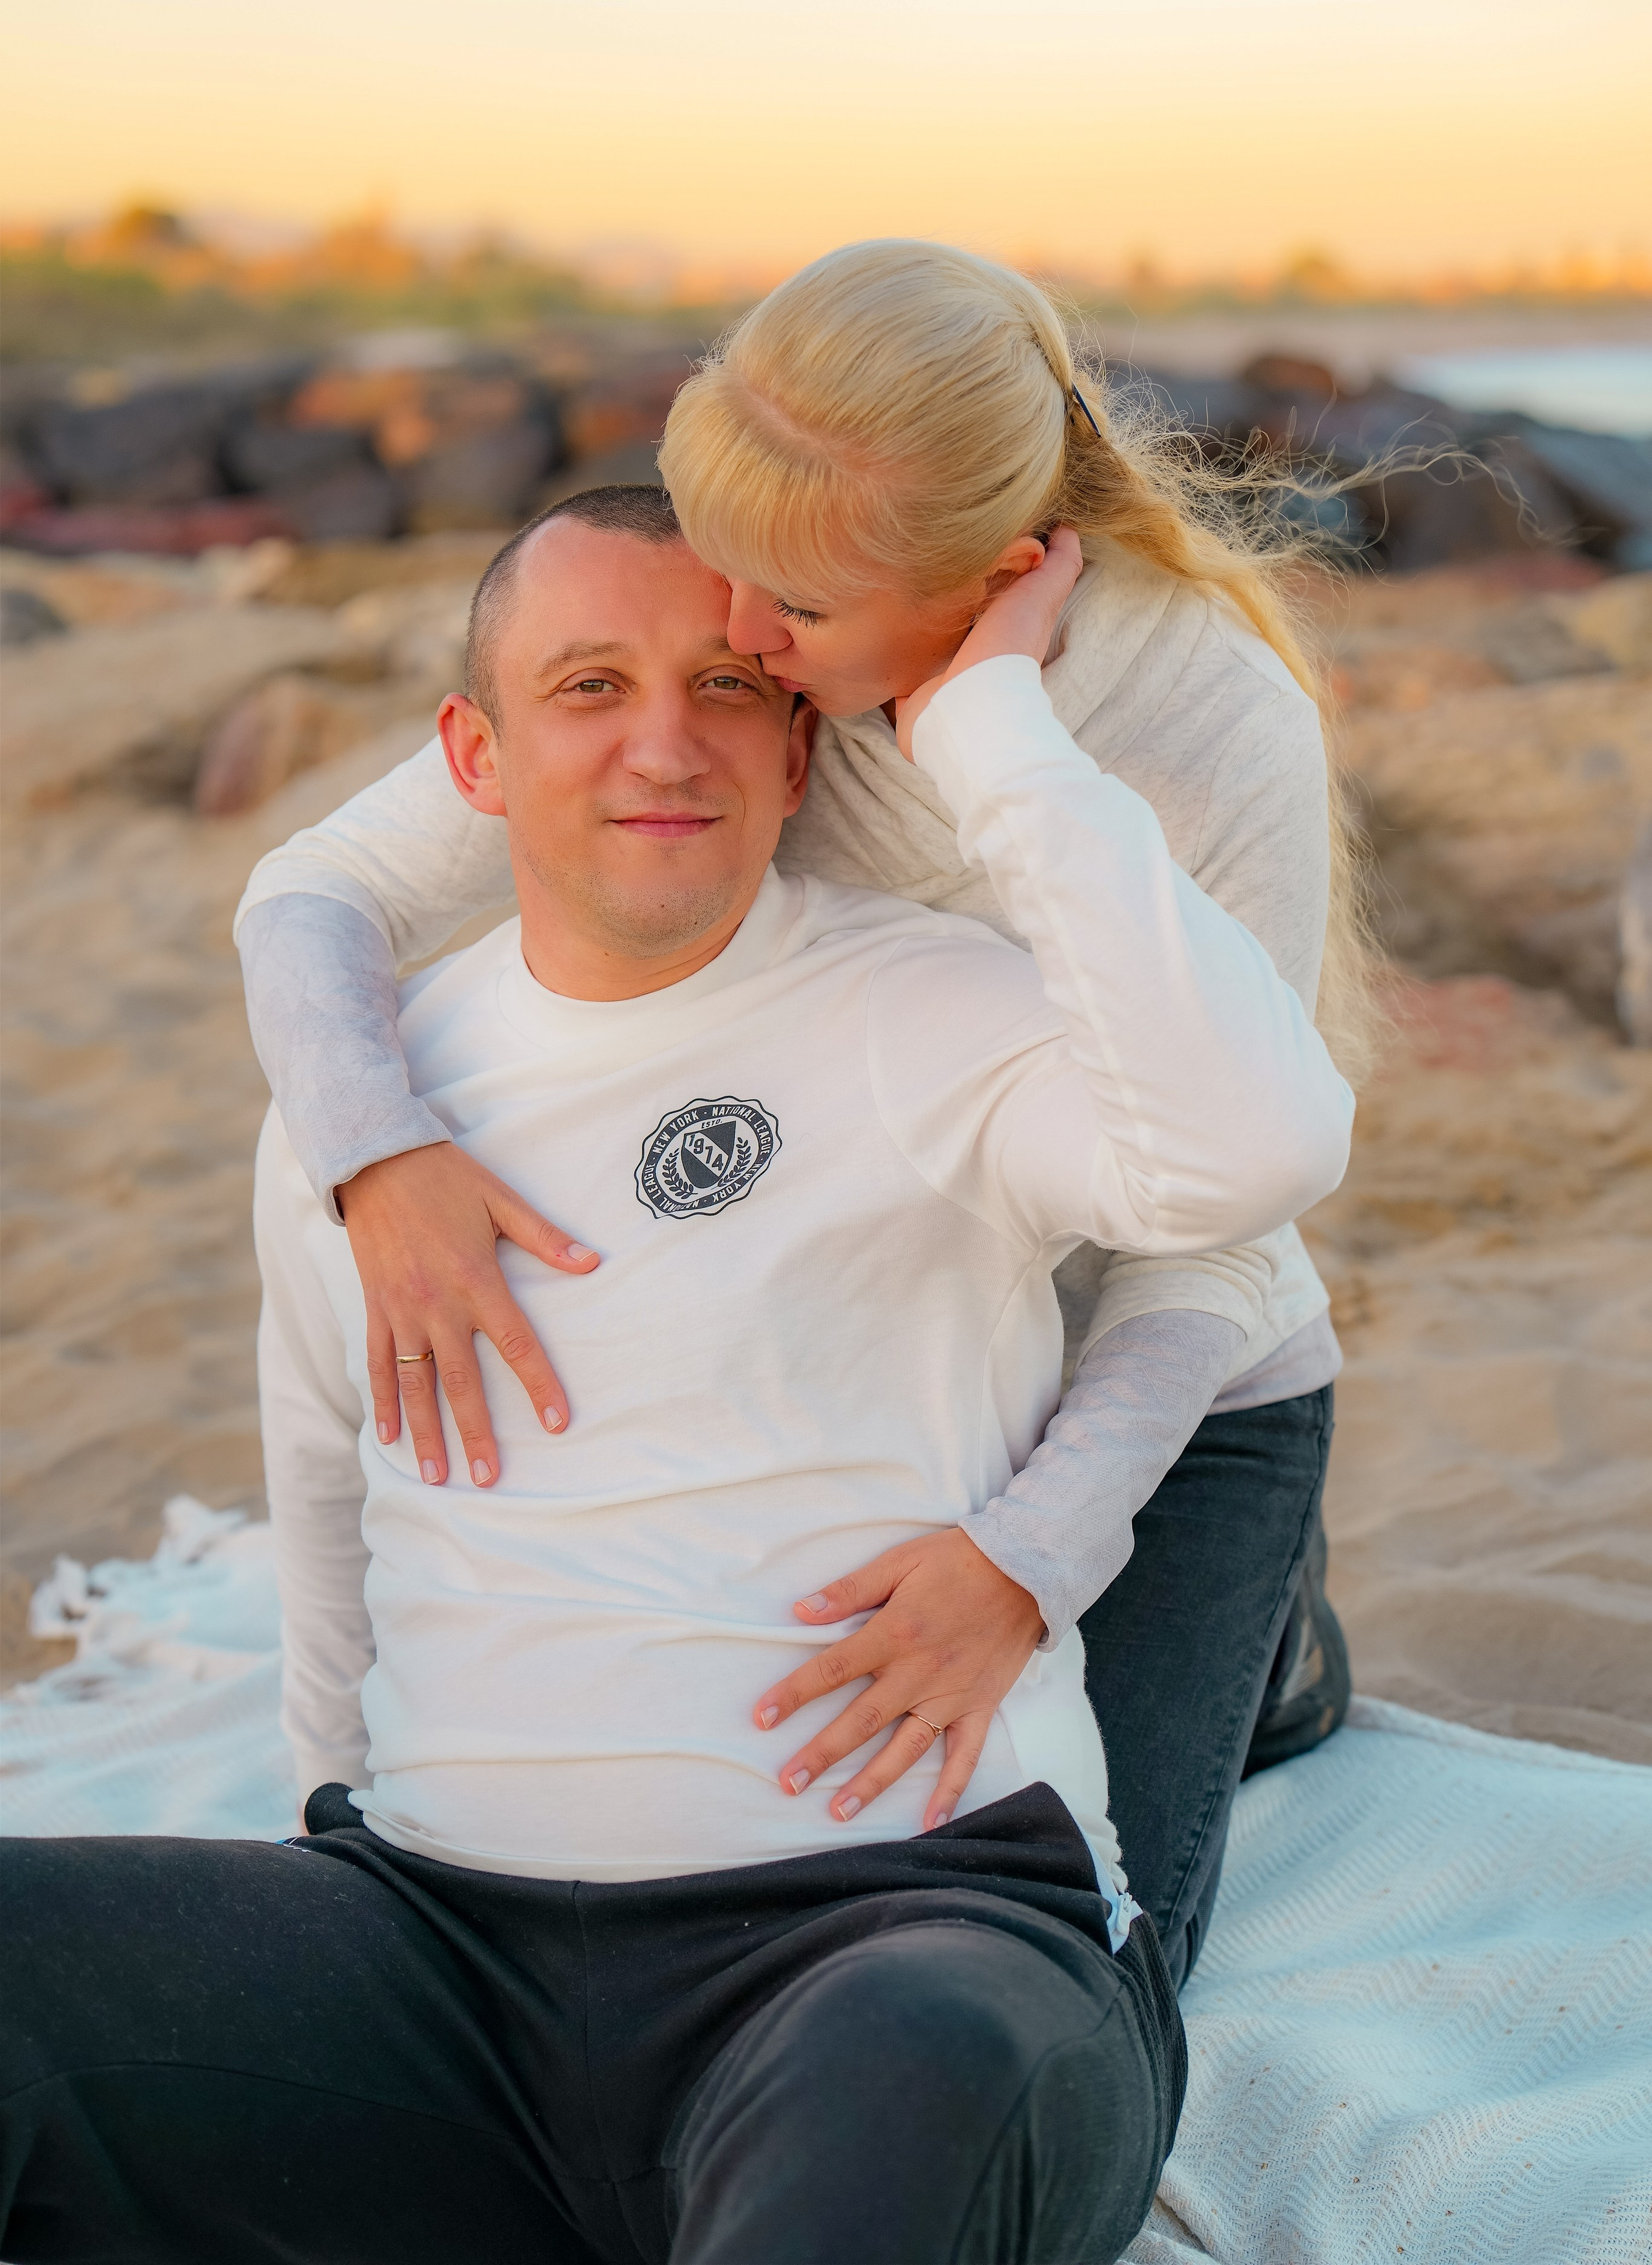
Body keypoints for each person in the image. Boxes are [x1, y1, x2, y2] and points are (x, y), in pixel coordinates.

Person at [0, 490, 1351, 2265]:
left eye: (726, 687)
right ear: (472, 758)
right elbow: (327, 1477)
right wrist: (335, 1825)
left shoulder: (940, 1015)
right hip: (439, 1958)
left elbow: (1253, 1164)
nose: (662, 743)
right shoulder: (361, 1113)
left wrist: (991, 717)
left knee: (920, 2075)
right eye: (588, 686)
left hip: (882, 1943)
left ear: (806, 756)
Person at [234, 239, 1370, 1986]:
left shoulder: (1211, 727)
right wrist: (374, 1154)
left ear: (987, 583)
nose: (740, 642)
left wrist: (1031, 1557)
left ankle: (1268, 1649)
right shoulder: (768, 598)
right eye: (731, 577)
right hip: (902, 1338)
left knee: (1093, 1964)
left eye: (791, 629)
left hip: (1174, 1368)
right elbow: (313, 899)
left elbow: (1226, 1224)